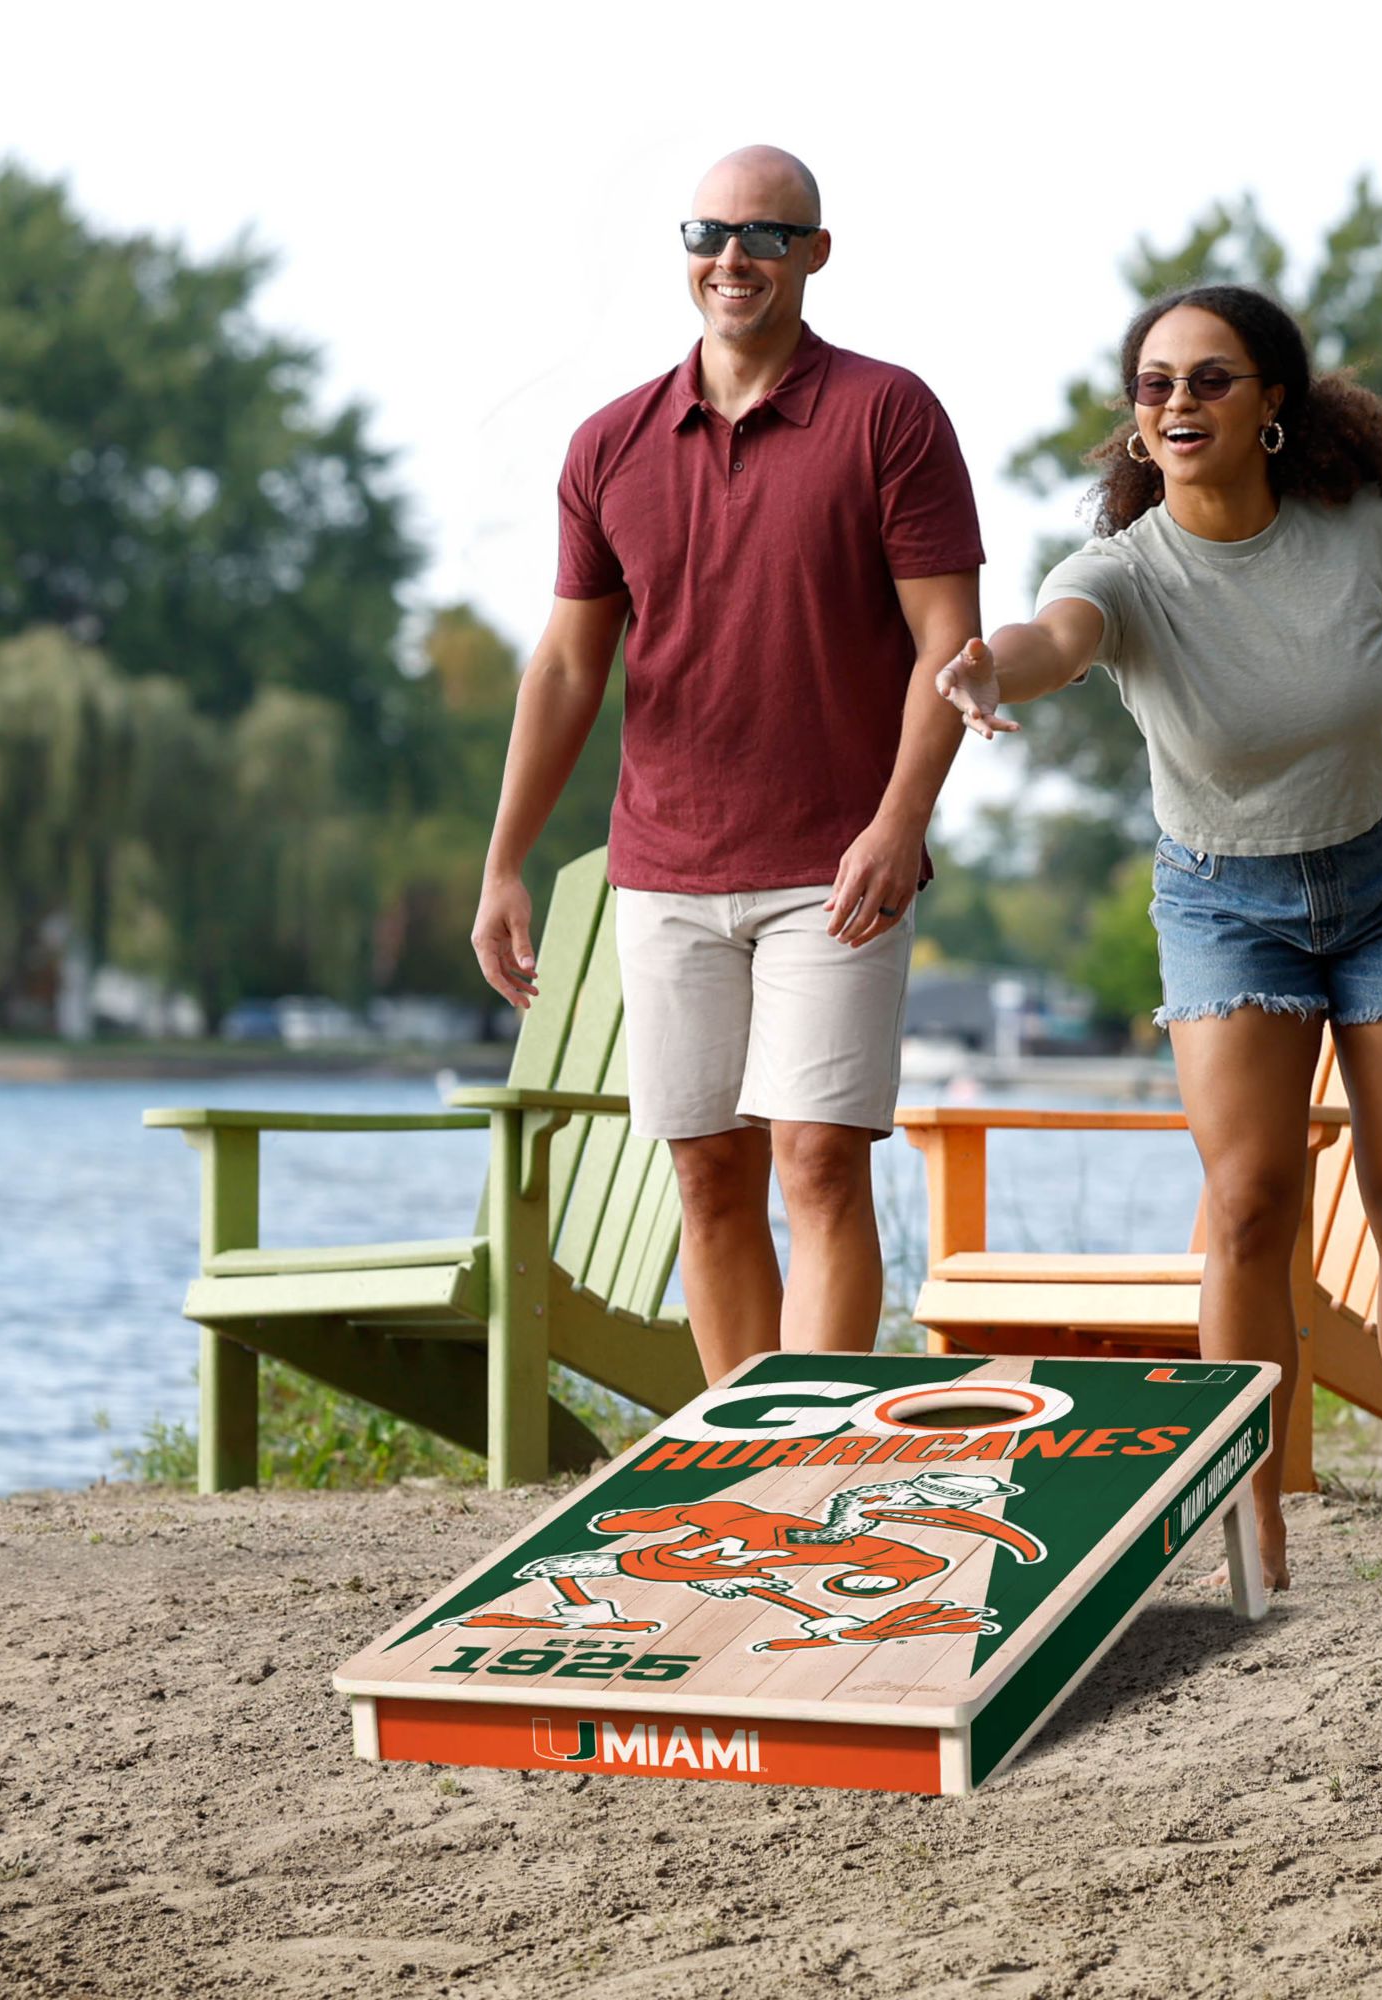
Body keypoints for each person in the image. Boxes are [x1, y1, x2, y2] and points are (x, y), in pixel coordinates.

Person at [935, 284, 1382, 1586]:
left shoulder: (1362, 529)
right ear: (1134, 422)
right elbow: (1053, 639)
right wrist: (987, 670)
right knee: (1250, 1203)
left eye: (1210, 378)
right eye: (1155, 384)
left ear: (1270, 404)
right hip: (1223, 903)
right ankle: (1251, 1515)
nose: (1179, 402)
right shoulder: (1121, 571)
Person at [470, 146, 983, 1386]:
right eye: (709, 232)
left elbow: (948, 646)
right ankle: (744, 1458)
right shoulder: (609, 442)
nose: (733, 257)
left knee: (817, 1158)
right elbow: (565, 669)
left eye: (765, 234)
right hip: (665, 866)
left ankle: (818, 1451)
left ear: (816, 253)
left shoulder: (888, 414)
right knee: (706, 1171)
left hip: (836, 865)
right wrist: (502, 863)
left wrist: (898, 821)